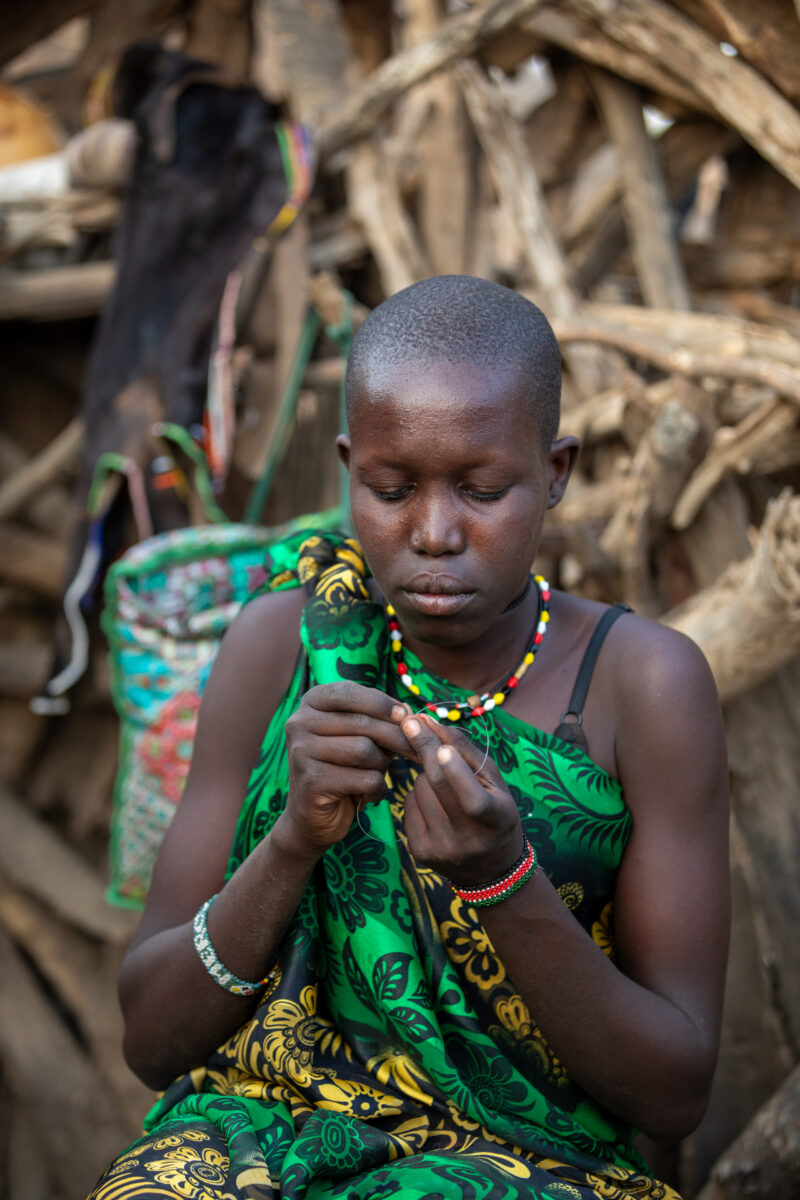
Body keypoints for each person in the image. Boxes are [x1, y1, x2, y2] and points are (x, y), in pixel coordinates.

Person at [90, 276, 730, 1200]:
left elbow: (677, 1091)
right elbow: (152, 1040)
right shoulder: (281, 646)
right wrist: (292, 844)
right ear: (349, 468)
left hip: (535, 1159)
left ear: (556, 471)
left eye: (482, 489)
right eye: (390, 490)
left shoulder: (644, 685)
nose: (434, 533)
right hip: (263, 1129)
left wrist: (502, 879)